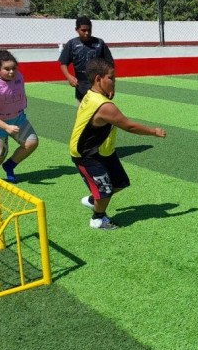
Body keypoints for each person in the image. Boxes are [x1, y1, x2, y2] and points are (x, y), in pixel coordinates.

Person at [70, 57, 167, 230]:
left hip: (103, 149)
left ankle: (93, 200)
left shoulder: (91, 94)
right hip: (86, 154)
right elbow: (129, 126)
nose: (115, 82)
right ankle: (98, 218)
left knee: (120, 183)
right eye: (111, 78)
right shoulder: (104, 106)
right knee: (105, 190)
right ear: (99, 79)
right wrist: (154, 132)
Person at [0, 50, 38, 184]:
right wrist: (5, 126)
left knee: (31, 143)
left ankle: (9, 165)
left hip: (17, 119)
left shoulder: (18, 76)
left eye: (14, 68)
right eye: (7, 69)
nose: (11, 72)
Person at [59, 17, 114, 104]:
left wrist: (111, 87)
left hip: (100, 88)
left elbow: (110, 65)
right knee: (83, 116)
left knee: (100, 115)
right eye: (83, 30)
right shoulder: (72, 44)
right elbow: (63, 63)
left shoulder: (100, 43)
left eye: (89, 30)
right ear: (76, 30)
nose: (87, 33)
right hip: (81, 89)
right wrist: (69, 77)